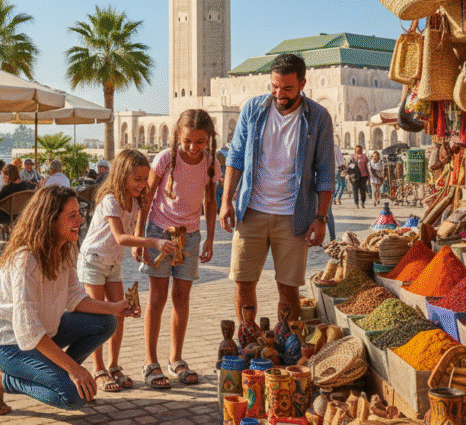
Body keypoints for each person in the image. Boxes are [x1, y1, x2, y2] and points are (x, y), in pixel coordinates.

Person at [0, 185, 137, 415]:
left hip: (41, 333)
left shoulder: (66, 248)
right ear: (50, 219)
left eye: (79, 213)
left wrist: (114, 307)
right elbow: (28, 329)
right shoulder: (26, 259)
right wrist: (74, 369)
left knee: (107, 322)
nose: (80, 220)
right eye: (72, 215)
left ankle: (59, 374)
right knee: (72, 397)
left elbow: (75, 298)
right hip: (7, 343)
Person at [219, 53, 335, 329]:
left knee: (288, 288)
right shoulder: (253, 109)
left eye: (287, 89)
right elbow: (235, 158)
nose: (279, 94)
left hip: (293, 216)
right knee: (244, 282)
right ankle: (248, 339)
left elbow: (326, 171)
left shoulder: (318, 117)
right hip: (251, 212)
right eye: (274, 86)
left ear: (303, 84)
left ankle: (287, 346)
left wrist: (321, 218)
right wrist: (226, 202)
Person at [136, 109, 221, 388]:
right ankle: (150, 361)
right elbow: (146, 198)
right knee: (157, 298)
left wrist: (209, 238)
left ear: (209, 139)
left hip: (191, 237)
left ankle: (176, 358)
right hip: (160, 233)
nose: (194, 148)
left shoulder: (210, 163)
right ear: (177, 136)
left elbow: (210, 202)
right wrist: (139, 236)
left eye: (200, 142)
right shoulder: (164, 159)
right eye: (188, 141)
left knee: (181, 299)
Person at [78, 149, 175, 392]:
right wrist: (152, 243)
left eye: (145, 179)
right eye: (138, 180)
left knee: (119, 313)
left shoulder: (137, 200)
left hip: (113, 264)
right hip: (93, 260)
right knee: (98, 316)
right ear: (122, 176)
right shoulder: (110, 199)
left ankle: (113, 365)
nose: (143, 185)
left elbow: (138, 229)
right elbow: (121, 238)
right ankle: (98, 368)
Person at [0, 164, 29, 251]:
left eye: (4, 176)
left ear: (8, 175)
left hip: (6, 215)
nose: (3, 177)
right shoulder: (24, 185)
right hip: (20, 215)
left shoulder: (7, 188)